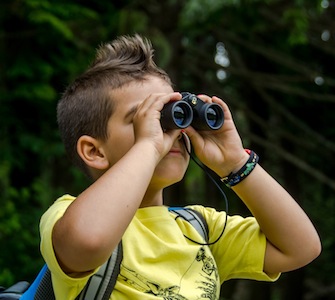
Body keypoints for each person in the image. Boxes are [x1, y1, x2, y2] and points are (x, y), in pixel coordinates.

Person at [40, 34, 321, 299]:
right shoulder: (68, 215)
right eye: (144, 117)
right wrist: (147, 146)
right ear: (94, 151)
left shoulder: (201, 229)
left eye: (173, 114)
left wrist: (236, 163)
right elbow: (88, 241)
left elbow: (300, 248)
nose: (168, 131)